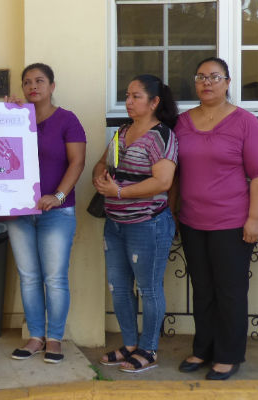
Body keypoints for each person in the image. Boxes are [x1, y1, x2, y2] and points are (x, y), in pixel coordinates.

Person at [170, 57, 258, 380]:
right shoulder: (183, 122)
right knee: (202, 289)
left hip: (232, 221)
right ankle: (204, 348)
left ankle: (228, 354)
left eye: (215, 77)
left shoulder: (245, 122)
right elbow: (174, 173)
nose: (207, 83)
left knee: (229, 290)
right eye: (201, 77)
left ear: (228, 83)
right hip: (191, 220)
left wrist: (255, 219)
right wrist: (172, 213)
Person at [94, 74, 178, 373]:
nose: (128, 101)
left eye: (136, 96)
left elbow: (162, 181)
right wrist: (100, 176)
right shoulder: (123, 131)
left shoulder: (162, 136)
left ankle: (149, 349)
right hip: (115, 223)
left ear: (154, 102)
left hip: (148, 223)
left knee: (149, 289)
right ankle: (130, 344)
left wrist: (119, 191)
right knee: (118, 287)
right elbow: (102, 164)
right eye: (127, 95)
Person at [4, 63, 86, 364]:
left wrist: (59, 195)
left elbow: (77, 163)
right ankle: (36, 337)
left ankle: (55, 339)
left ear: (52, 86)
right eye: (27, 82)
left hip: (57, 212)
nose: (32, 86)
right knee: (28, 277)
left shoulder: (67, 120)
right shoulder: (14, 118)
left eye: (39, 81)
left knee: (54, 278)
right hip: (20, 213)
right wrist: (4, 115)